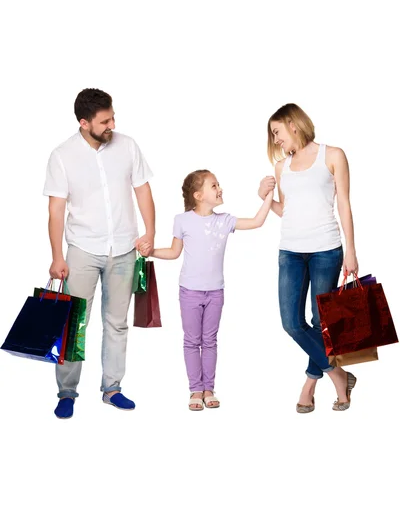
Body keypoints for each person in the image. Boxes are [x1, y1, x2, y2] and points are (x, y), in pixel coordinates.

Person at [43, 88, 155, 419]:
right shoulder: (62, 156)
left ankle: (112, 389)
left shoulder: (128, 146)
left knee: (117, 323)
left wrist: (150, 233)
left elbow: (143, 191)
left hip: (123, 249)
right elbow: (55, 210)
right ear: (84, 122)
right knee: (73, 324)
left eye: (113, 117)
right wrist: (56, 256)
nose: (112, 124)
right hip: (82, 250)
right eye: (105, 120)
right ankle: (67, 392)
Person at [258, 103, 358, 412]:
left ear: (293, 124)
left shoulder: (333, 155)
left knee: (320, 322)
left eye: (277, 132)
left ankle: (310, 383)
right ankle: (338, 375)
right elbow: (286, 210)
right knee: (291, 323)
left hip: (326, 250)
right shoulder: (282, 167)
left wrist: (351, 250)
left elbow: (343, 203)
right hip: (290, 251)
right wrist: (265, 198)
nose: (276, 140)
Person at [147, 169, 274, 411]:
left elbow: (257, 222)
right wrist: (150, 252)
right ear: (198, 195)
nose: (220, 189)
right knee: (192, 341)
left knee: (210, 341)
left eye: (219, 185)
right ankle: (195, 388)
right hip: (190, 292)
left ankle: (209, 388)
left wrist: (268, 195)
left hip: (215, 292)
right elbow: (174, 253)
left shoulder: (224, 220)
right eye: (214, 185)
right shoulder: (182, 220)